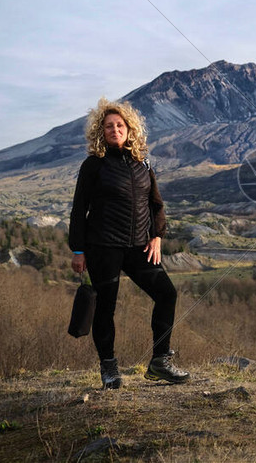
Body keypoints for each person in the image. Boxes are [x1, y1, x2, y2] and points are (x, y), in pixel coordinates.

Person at [69, 97, 189, 389]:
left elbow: (156, 204)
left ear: (129, 129)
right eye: (108, 126)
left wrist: (157, 235)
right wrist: (78, 249)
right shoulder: (93, 166)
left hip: (138, 248)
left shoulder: (142, 163)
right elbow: (78, 208)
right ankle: (109, 368)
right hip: (103, 248)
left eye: (119, 125)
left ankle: (160, 361)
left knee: (166, 294)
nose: (115, 130)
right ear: (101, 131)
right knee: (105, 309)